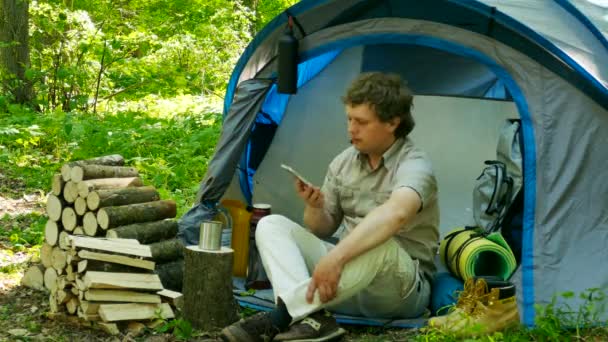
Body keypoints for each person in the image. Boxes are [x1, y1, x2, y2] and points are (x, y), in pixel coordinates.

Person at [221, 72, 440, 342]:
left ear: (392, 123)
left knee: (380, 242)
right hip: (345, 285)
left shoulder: (415, 165)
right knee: (271, 224)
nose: (351, 129)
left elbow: (396, 214)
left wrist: (335, 258)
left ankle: (280, 317)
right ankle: (312, 319)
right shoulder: (344, 162)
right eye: (349, 118)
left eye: (361, 122)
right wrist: (315, 206)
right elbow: (321, 227)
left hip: (398, 291)